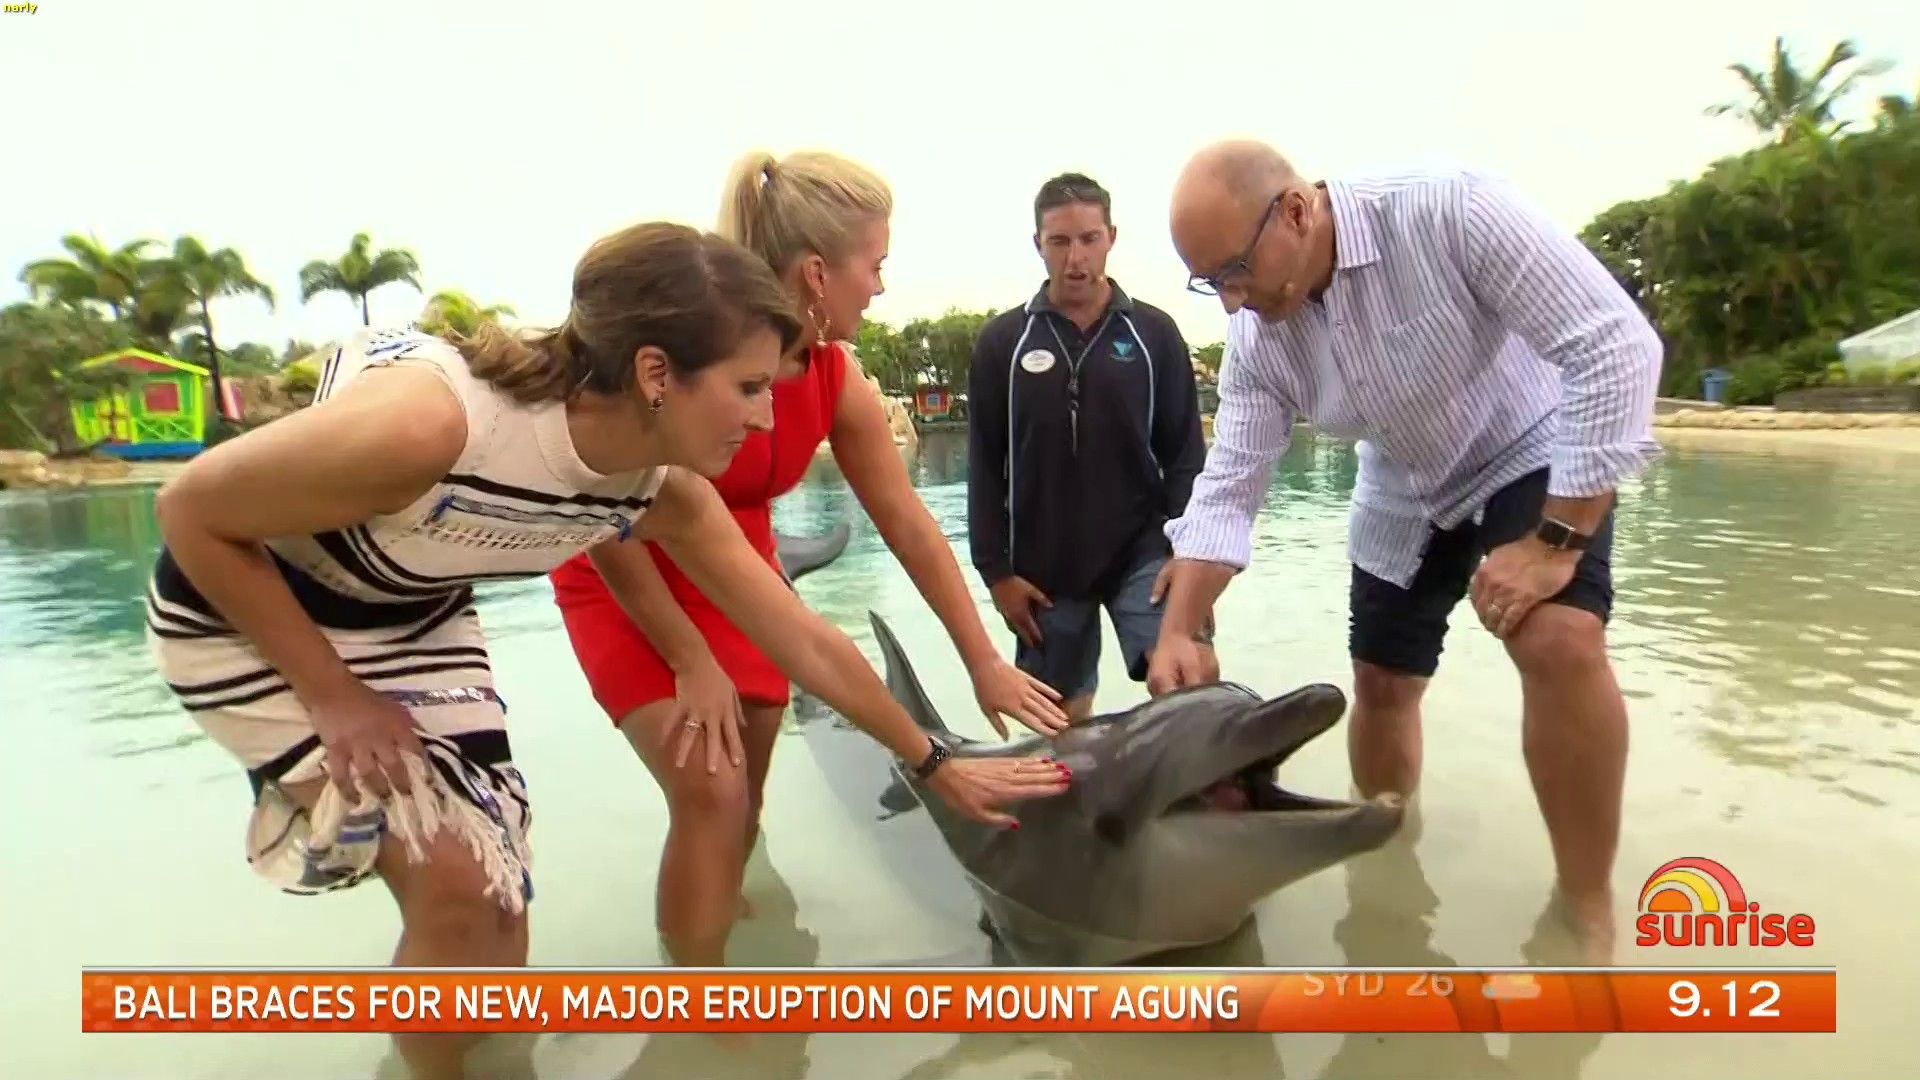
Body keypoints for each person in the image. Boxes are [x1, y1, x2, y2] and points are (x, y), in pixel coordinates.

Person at [144, 221, 1071, 1080]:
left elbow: (803, 640)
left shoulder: (660, 489)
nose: (765, 418)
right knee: (455, 893)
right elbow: (189, 513)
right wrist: (334, 697)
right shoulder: (434, 425)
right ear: (656, 372)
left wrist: (934, 761)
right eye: (749, 387)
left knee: (498, 914)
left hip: (413, 610)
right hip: (251, 612)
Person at [547, 150, 1069, 969]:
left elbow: (909, 524)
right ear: (818, 274)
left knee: (745, 794)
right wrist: (687, 657)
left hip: (738, 570)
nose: (882, 287)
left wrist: (982, 662)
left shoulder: (831, 374)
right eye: (877, 265)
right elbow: (605, 500)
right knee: (710, 793)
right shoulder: (697, 354)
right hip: (626, 564)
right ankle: (692, 1000)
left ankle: (725, 920)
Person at [1146, 141, 1663, 962]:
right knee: (1382, 681)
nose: (1233, 302)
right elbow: (1231, 484)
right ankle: (1386, 859)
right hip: (1402, 478)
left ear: (1295, 211)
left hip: (1525, 443)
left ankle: (1584, 901)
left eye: (1236, 271)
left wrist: (1555, 543)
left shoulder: (1448, 210)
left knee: (1558, 638)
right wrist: (1180, 627)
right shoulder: (1257, 339)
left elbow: (1616, 347)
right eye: (1212, 283)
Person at [967, 172, 1208, 721]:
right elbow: (983, 468)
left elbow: (1185, 459)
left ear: (1111, 238)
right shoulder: (1003, 344)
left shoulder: (1154, 335)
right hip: (1044, 565)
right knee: (1058, 720)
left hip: (1143, 549)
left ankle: (1201, 777)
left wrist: (1190, 555)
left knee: (1189, 677)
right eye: (1059, 241)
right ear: (1038, 244)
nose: (1075, 258)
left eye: (1089, 239)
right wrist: (997, 574)